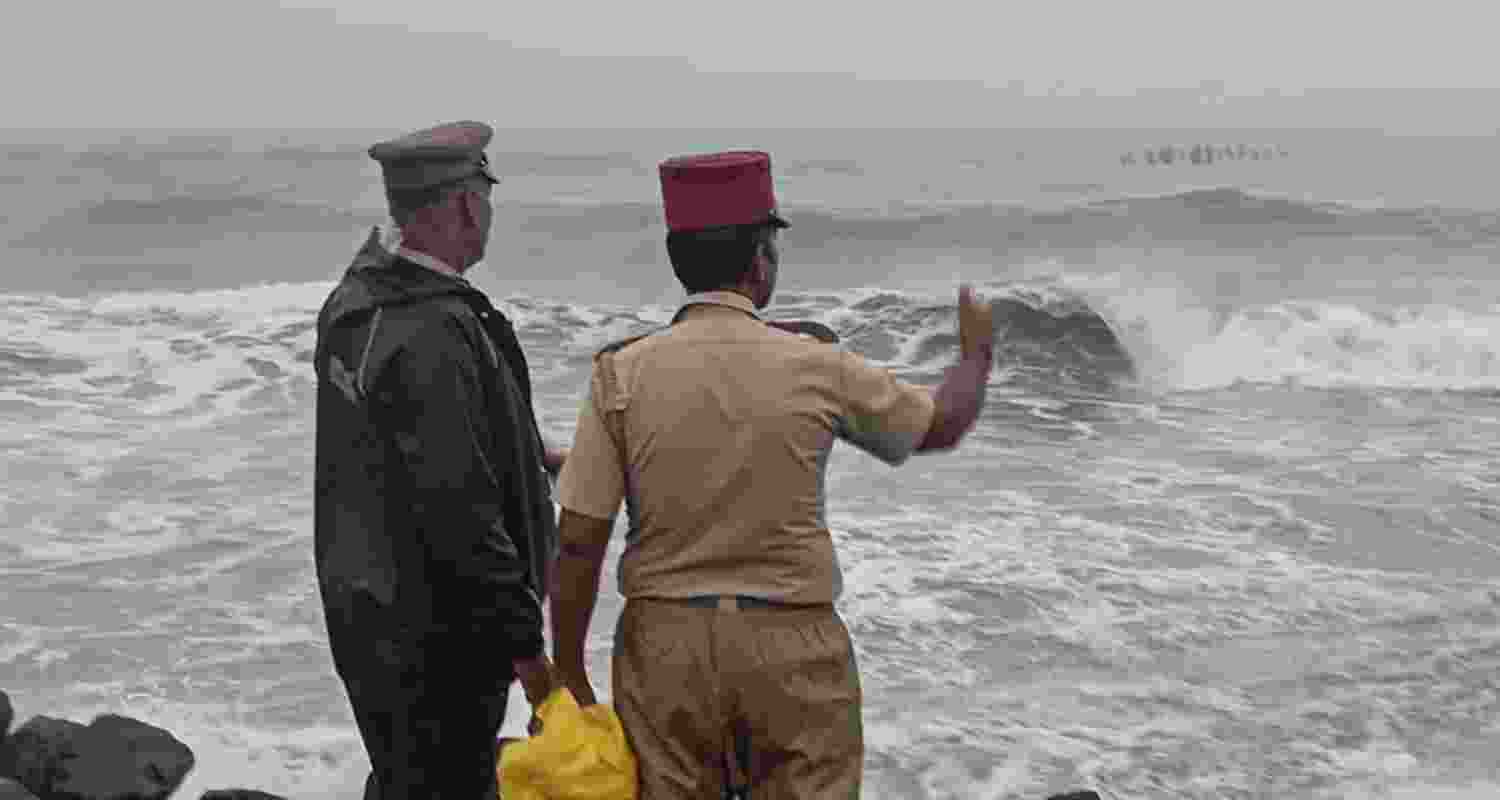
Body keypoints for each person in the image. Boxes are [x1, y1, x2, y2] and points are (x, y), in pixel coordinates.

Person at [548, 150, 995, 798]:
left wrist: (568, 669)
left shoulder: (620, 374)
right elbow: (940, 425)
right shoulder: (818, 365)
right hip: (792, 646)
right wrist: (976, 356)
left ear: (678, 258)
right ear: (762, 259)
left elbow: (580, 539)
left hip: (665, 651)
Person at [312, 120, 563, 799]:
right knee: (447, 781)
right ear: (462, 204)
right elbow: (462, 513)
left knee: (405, 776)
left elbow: (408, 435)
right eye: (485, 196)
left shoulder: (359, 304)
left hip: (371, 615)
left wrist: (534, 454)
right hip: (437, 638)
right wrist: (530, 654)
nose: (488, 213)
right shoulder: (433, 333)